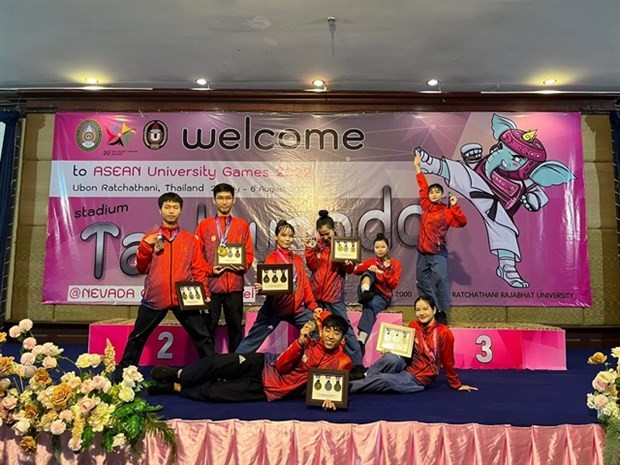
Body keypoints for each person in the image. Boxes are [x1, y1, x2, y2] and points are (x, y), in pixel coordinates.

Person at [148, 313, 352, 410]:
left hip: (268, 388)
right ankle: (178, 374)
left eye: (336, 332)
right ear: (322, 330)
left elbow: (332, 388)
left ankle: (175, 387)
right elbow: (281, 365)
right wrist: (299, 342)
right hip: (262, 363)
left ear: (342, 338)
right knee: (217, 363)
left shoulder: (343, 361)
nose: (331, 336)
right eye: (328, 330)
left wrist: (329, 400)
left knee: (215, 393)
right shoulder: (308, 342)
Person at [116, 192, 214, 381]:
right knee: (137, 338)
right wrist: (146, 247)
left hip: (184, 298)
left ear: (181, 210)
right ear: (160, 210)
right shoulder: (150, 238)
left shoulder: (190, 239)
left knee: (203, 338)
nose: (171, 211)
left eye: (175, 207)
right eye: (167, 207)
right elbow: (142, 267)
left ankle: (213, 374)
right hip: (155, 298)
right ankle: (123, 378)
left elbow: (199, 269)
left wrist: (205, 292)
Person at [350, 295, 477, 394]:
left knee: (384, 379)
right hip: (406, 366)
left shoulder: (444, 333)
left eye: (425, 309)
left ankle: (348, 388)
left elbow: (448, 362)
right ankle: (364, 376)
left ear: (434, 310)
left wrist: (457, 384)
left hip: (417, 379)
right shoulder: (413, 325)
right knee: (390, 358)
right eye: (418, 310)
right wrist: (390, 350)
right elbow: (405, 350)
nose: (421, 313)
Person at [236, 220, 323, 353]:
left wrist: (314, 306)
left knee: (317, 331)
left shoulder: (297, 259)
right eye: (283, 235)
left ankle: (313, 365)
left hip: (297, 311)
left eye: (290, 236)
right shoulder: (272, 258)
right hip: (274, 310)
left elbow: (305, 285)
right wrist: (263, 287)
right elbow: (271, 284)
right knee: (252, 342)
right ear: (276, 237)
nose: (287, 239)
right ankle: (234, 366)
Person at [304, 210, 365, 378]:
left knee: (345, 328)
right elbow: (313, 267)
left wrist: (347, 263)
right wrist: (309, 251)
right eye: (322, 235)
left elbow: (350, 269)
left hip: (334, 297)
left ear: (333, 229)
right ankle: (317, 363)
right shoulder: (317, 246)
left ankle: (358, 364)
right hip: (316, 296)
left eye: (328, 233)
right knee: (317, 331)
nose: (325, 237)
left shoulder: (342, 245)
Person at [195, 183, 255, 352]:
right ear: (214, 200)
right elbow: (197, 257)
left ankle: (234, 367)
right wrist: (210, 270)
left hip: (235, 286)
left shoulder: (242, 225)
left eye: (228, 198)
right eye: (220, 198)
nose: (224, 202)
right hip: (212, 287)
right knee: (208, 329)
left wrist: (240, 265)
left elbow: (249, 254)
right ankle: (209, 367)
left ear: (233, 200)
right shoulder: (204, 226)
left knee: (236, 329)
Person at [413, 150, 467, 325]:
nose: (434, 194)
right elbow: (422, 185)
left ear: (441, 194)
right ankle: (433, 310)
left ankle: (442, 311)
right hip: (422, 253)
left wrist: (455, 206)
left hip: (437, 253)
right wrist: (417, 167)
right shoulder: (426, 205)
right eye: (432, 192)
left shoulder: (446, 211)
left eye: (437, 192)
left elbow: (462, 222)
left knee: (442, 279)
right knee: (422, 283)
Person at [353, 233, 401, 357]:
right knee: (368, 272)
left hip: (382, 297)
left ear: (388, 248)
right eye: (377, 247)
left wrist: (382, 273)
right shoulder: (372, 261)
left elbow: (393, 284)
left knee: (369, 306)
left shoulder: (395, 264)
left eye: (382, 247)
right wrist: (369, 267)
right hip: (370, 292)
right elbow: (356, 270)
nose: (379, 250)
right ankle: (365, 292)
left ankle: (361, 341)